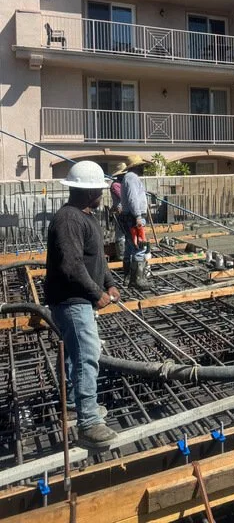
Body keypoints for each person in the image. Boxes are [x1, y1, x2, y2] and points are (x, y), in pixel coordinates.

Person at [44, 160, 119, 450]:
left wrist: (109, 282)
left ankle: (76, 404)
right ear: (88, 192)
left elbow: (95, 257)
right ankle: (88, 423)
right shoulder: (69, 219)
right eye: (99, 189)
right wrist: (95, 293)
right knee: (87, 355)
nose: (103, 194)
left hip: (78, 299)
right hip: (72, 301)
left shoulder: (86, 216)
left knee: (75, 354)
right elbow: (71, 266)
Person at [119, 154, 148, 278]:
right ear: (137, 166)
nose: (143, 168)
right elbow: (133, 198)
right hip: (133, 217)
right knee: (139, 247)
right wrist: (138, 216)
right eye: (142, 166)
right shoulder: (131, 177)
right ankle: (138, 279)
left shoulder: (129, 177)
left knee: (130, 247)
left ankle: (128, 276)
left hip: (130, 216)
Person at [109, 162, 127, 261]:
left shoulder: (123, 184)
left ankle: (126, 255)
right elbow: (123, 197)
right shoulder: (116, 185)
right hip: (120, 212)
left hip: (126, 211)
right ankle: (121, 256)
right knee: (121, 234)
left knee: (127, 233)